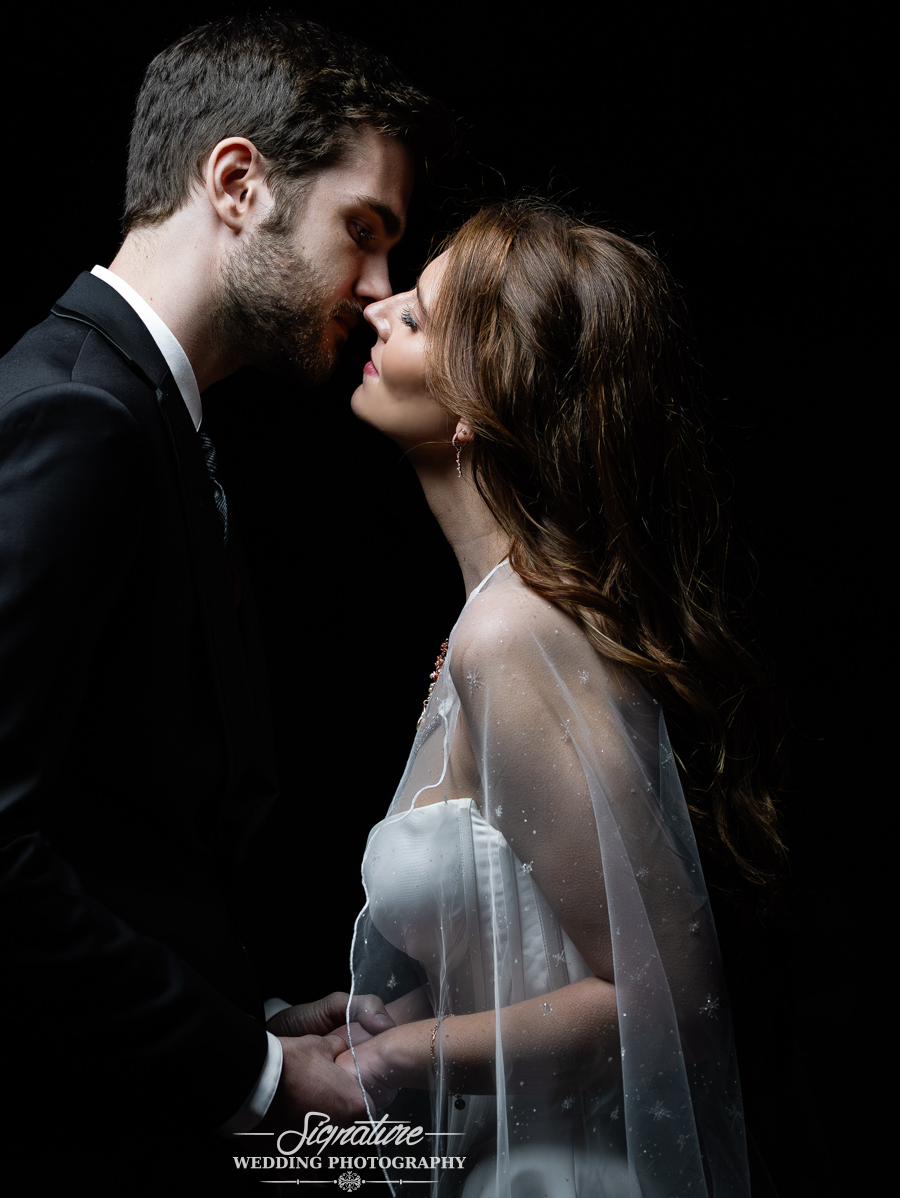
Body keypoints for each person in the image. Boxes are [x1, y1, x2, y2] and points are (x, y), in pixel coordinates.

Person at [0, 14, 449, 1194]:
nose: (380, 287)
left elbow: (106, 832)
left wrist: (255, 1018)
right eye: (362, 231)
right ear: (237, 183)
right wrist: (257, 1073)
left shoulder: (132, 412)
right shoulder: (70, 423)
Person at [331, 200, 789, 1197]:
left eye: (414, 316)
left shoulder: (514, 635)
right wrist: (381, 1021)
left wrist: (406, 1059)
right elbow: (520, 946)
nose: (375, 310)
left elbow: (663, 988)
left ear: (477, 400)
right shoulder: (492, 624)